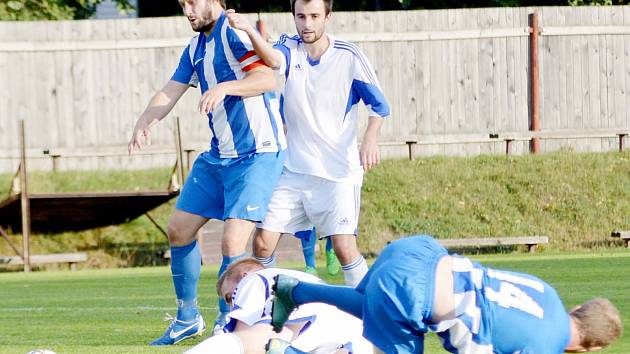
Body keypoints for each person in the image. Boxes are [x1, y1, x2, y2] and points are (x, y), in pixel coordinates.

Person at [127, 0, 286, 345]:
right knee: (178, 229)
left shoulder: (235, 34)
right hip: (219, 157)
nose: (187, 9)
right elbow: (171, 89)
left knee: (232, 240)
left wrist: (225, 87)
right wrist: (144, 121)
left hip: (257, 154)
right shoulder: (196, 47)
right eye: (182, 3)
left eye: (193, 2)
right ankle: (187, 317)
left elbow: (266, 78)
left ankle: (228, 320)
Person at [226, 0, 390, 287]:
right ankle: (268, 309)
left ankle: (367, 313)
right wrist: (250, 30)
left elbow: (379, 106)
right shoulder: (288, 47)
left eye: (314, 16)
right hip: (292, 170)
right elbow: (274, 61)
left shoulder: (348, 55)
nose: (307, 24)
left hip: (337, 172)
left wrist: (370, 139)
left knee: (344, 248)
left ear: (328, 16)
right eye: (301, 16)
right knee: (263, 244)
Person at [271, 236, 623, 354]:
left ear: (578, 307)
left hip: (417, 251)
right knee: (389, 311)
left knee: (374, 307)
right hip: (414, 293)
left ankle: (293, 291)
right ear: (589, 347)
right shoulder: (546, 346)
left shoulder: (546, 292)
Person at [183, 258, 372, 354]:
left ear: (243, 274)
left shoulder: (255, 279)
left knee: (253, 339)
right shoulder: (311, 279)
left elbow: (251, 339)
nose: (232, 306)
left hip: (308, 312)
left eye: (229, 297)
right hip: (358, 331)